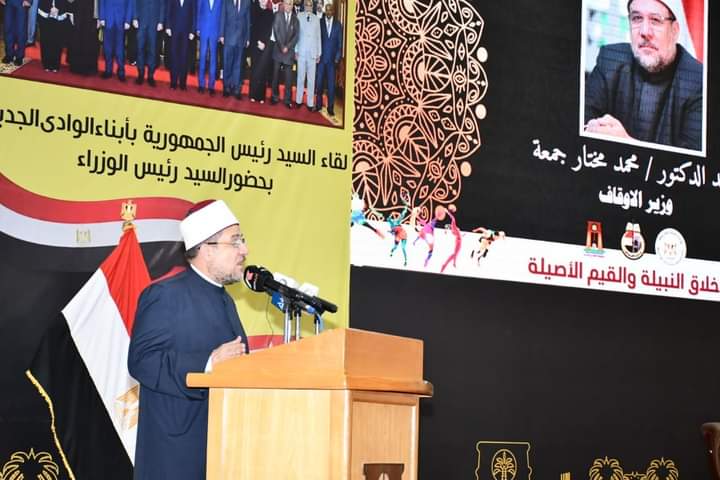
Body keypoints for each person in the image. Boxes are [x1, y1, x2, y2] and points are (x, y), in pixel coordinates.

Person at [128, 199, 249, 479]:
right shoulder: (165, 295)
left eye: (242, 241)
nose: (244, 250)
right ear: (207, 249)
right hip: (175, 457)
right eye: (235, 241)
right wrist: (207, 363)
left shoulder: (226, 301)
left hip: (221, 450)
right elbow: (141, 361)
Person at [584, 0, 703, 150]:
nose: (645, 32)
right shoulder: (610, 60)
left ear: (674, 31)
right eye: (637, 18)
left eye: (655, 20)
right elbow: (581, 123)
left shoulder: (699, 82)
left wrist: (627, 143)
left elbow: (691, 162)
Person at [219, 0, 251, 99]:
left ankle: (237, 89)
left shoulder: (247, 2)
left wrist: (248, 38)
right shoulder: (226, 2)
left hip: (241, 38)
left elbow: (248, 20)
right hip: (228, 38)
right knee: (227, 64)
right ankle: (226, 87)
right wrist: (221, 34)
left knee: (238, 65)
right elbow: (223, 17)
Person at [315, 1, 342, 116]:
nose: (329, 12)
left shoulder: (338, 25)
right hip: (321, 59)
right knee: (319, 84)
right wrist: (317, 54)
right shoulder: (320, 22)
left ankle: (330, 107)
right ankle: (318, 105)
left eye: (331, 10)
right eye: (327, 10)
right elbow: (316, 39)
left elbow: (340, 44)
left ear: (333, 11)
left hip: (332, 61)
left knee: (331, 86)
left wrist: (337, 58)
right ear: (325, 11)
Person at [270, 0, 298, 107]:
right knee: (275, 76)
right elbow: (276, 31)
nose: (288, 6)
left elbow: (296, 36)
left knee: (288, 78)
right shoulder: (278, 15)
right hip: (278, 50)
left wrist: (287, 47)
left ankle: (287, 100)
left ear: (292, 5)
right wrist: (282, 46)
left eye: (290, 4)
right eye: (286, 3)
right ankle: (274, 97)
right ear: (283, 4)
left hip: (289, 53)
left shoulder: (295, 19)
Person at [293, 0, 320, 111]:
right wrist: (295, 50)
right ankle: (298, 101)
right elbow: (296, 34)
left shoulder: (316, 19)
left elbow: (318, 37)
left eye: (310, 5)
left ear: (313, 6)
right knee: (300, 78)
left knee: (311, 79)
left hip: (312, 53)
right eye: (307, 5)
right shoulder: (299, 16)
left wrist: (319, 53)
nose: (308, 7)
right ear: (304, 6)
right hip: (301, 52)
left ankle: (310, 103)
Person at [132, 0, 165, 86]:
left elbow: (162, 5)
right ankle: (140, 74)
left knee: (152, 50)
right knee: (140, 48)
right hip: (141, 21)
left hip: (154, 22)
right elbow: (135, 2)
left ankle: (150, 76)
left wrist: (161, 21)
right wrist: (134, 18)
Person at [98, 0, 133, 81]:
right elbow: (102, 2)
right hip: (107, 18)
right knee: (107, 48)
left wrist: (128, 20)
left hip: (121, 20)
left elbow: (130, 3)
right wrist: (102, 17)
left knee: (120, 49)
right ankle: (108, 70)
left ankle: (121, 72)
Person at [248, 0, 275, 103]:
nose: (263, 1)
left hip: (265, 46)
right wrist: (257, 42)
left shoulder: (270, 13)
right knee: (254, 69)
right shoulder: (254, 10)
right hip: (255, 44)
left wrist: (264, 42)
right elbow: (252, 27)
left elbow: (269, 30)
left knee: (263, 70)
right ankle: (252, 94)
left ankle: (261, 96)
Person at [166, 0, 196, 90]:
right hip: (174, 30)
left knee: (184, 57)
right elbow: (168, 11)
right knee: (174, 56)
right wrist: (168, 26)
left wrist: (192, 31)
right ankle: (173, 82)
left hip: (186, 31)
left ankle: (183, 83)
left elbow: (194, 14)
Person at [196, 0, 222, 95]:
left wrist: (220, 33)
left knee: (213, 59)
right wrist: (198, 28)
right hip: (203, 29)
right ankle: (201, 84)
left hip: (215, 31)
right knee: (202, 57)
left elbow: (222, 16)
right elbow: (198, 11)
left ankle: (211, 86)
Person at [37, 0, 71, 72]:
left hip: (60, 14)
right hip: (45, 13)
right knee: (45, 40)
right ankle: (46, 64)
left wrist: (59, 10)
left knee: (57, 40)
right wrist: (49, 9)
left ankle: (55, 64)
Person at [67, 0, 99, 75]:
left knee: (90, 40)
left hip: (91, 14)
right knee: (77, 39)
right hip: (78, 12)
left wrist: (98, 17)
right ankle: (76, 66)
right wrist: (70, 12)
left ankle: (89, 67)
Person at [1, 0, 30, 66]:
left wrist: (29, 1)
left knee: (21, 30)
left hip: (21, 2)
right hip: (8, 2)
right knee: (8, 28)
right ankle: (9, 54)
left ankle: (19, 56)